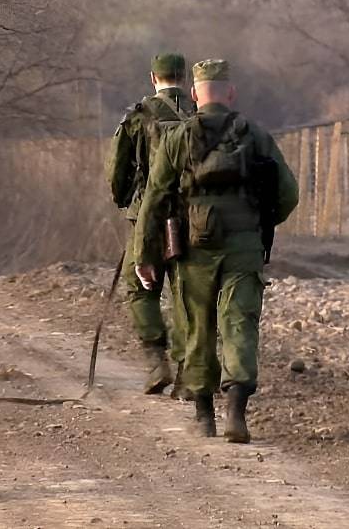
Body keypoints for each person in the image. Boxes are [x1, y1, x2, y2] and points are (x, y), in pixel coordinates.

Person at [132, 59, 298, 443]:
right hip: (244, 248)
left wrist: (145, 255)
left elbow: (154, 200)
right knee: (239, 323)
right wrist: (260, 222)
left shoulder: (178, 138)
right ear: (231, 93)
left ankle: (204, 416)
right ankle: (237, 412)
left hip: (193, 250)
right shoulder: (254, 135)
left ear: (194, 94)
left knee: (197, 326)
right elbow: (289, 193)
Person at [105, 52, 196, 397]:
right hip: (193, 217)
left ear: (153, 78)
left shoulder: (138, 116)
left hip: (147, 215)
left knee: (139, 286)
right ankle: (189, 372)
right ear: (185, 79)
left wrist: (127, 201)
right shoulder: (200, 115)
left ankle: (157, 361)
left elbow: (117, 171)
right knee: (187, 293)